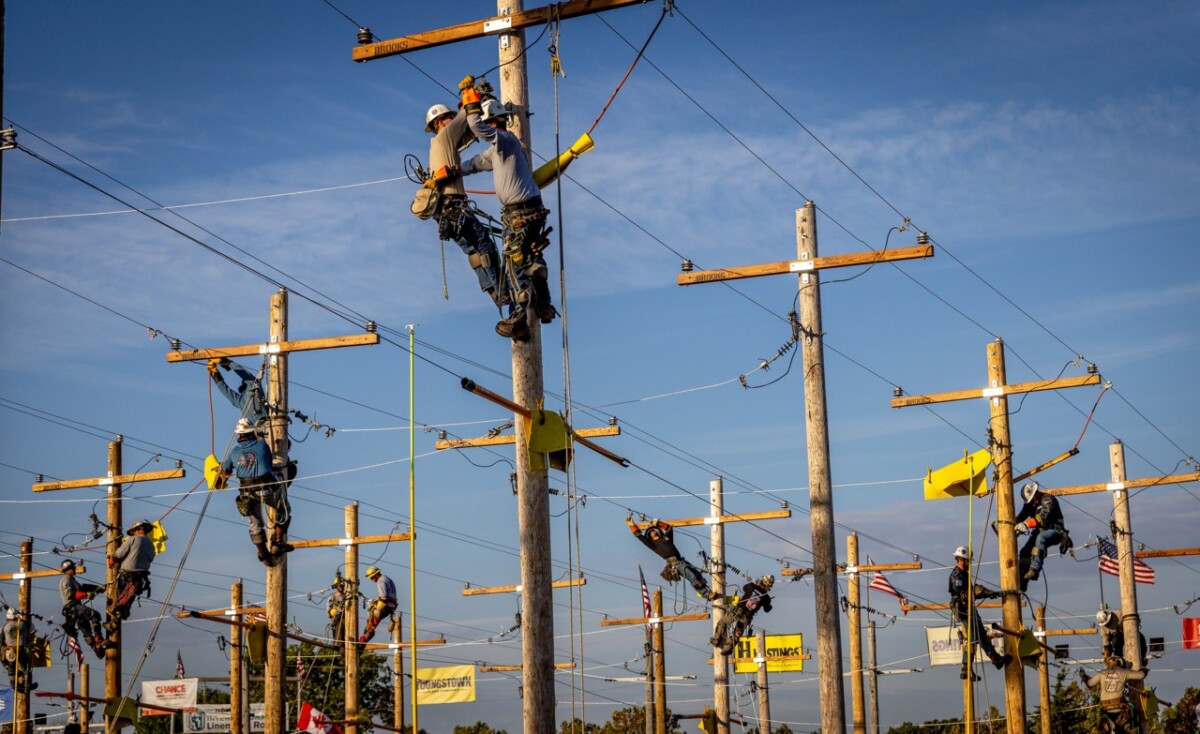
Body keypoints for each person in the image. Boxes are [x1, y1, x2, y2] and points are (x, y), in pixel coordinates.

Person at [460, 88, 557, 335]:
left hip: (520, 213)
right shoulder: (500, 150)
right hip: (528, 210)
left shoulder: (505, 139)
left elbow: (477, 127)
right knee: (530, 258)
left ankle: (519, 317)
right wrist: (451, 172)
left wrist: (471, 103)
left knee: (514, 265)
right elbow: (474, 164)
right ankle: (544, 305)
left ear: (494, 121)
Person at [422, 97, 512, 337]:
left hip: (446, 214)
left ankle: (493, 292)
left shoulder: (444, 145)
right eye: (449, 118)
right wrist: (470, 98)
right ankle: (501, 290)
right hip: (455, 208)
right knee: (485, 246)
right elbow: (465, 121)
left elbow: (468, 136)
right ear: (442, 121)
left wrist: (485, 119)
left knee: (474, 252)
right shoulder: (444, 137)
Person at [220, 419, 292, 565]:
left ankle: (263, 553)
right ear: (252, 432)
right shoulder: (262, 446)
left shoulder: (234, 451)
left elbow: (225, 472)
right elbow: (269, 464)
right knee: (283, 509)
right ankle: (278, 543)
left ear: (239, 435)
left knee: (254, 524)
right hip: (268, 489)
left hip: (247, 494)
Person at [948, 546, 1011, 679]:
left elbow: (971, 593)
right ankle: (966, 669)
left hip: (969, 608)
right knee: (972, 638)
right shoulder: (956, 575)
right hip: (963, 609)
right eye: (968, 561)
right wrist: (982, 591)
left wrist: (987, 593)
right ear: (961, 559)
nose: (970, 563)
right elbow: (963, 594)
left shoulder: (964, 574)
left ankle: (996, 659)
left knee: (981, 635)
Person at [626, 516, 718, 600]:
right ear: (649, 536)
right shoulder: (653, 545)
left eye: (653, 530)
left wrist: (658, 524)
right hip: (675, 564)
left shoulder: (666, 538)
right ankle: (706, 594)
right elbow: (639, 536)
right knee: (692, 577)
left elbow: (669, 528)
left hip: (681, 561)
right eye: (650, 532)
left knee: (697, 574)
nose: (652, 532)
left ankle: (708, 591)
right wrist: (631, 525)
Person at [104, 519, 157, 634]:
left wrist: (112, 559)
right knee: (125, 602)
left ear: (137, 530)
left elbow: (118, 554)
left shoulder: (132, 539)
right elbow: (151, 558)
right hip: (140, 579)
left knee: (119, 602)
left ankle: (113, 625)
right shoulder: (150, 544)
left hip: (127, 575)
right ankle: (117, 622)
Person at [1014, 481, 1070, 587]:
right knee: (1025, 552)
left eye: (1032, 500)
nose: (1032, 503)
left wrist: (1026, 524)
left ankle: (1034, 569)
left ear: (1036, 494)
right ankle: (1022, 581)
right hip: (1040, 530)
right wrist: (1010, 524)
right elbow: (1021, 516)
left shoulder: (1048, 500)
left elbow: (1043, 517)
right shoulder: (1030, 504)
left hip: (1055, 530)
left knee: (1041, 538)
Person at [1080, 655, 1147, 733]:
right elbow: (1141, 675)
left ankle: (1109, 726)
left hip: (1105, 709)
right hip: (1119, 709)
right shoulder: (1124, 671)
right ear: (1120, 663)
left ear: (1108, 663)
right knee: (1135, 719)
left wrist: (1084, 676)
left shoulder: (1102, 672)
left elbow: (1090, 683)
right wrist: (1143, 669)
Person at [710, 575, 774, 655]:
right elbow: (767, 609)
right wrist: (768, 602)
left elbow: (744, 588)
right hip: (746, 618)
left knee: (722, 622)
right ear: (769, 586)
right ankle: (726, 649)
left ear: (761, 580)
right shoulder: (766, 597)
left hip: (737, 611)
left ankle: (716, 639)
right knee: (737, 634)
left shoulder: (751, 586)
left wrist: (755, 584)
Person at [59, 560, 108, 657]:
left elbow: (83, 587)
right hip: (74, 607)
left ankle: (96, 648)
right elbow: (70, 594)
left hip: (72, 611)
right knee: (95, 615)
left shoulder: (72, 580)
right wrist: (86, 595)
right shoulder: (66, 580)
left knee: (85, 628)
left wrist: (99, 588)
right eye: (73, 568)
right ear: (67, 570)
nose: (75, 569)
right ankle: (98, 637)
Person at [208, 359, 268, 427]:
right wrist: (224, 362)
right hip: (268, 426)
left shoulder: (240, 401)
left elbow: (225, 391)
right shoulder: (252, 385)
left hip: (260, 430)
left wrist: (215, 373)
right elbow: (242, 372)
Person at [358, 565, 397, 644]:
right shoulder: (387, 579)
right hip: (391, 605)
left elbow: (383, 597)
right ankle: (362, 641)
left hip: (385, 605)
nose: (372, 580)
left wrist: (378, 609)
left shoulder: (380, 580)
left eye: (372, 578)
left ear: (376, 574)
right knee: (370, 624)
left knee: (370, 625)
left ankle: (361, 642)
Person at [2, 607, 37, 692]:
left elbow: (1, 641)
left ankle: (14, 685)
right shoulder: (24, 624)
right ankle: (27, 685)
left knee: (11, 668)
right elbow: (32, 629)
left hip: (10, 650)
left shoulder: (4, 627)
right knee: (25, 666)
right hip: (22, 649)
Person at [327, 574, 346, 644]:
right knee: (340, 643)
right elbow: (328, 613)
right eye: (339, 586)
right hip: (338, 621)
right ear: (336, 586)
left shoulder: (348, 597)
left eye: (342, 585)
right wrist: (334, 611)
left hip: (348, 621)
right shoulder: (332, 598)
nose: (341, 587)